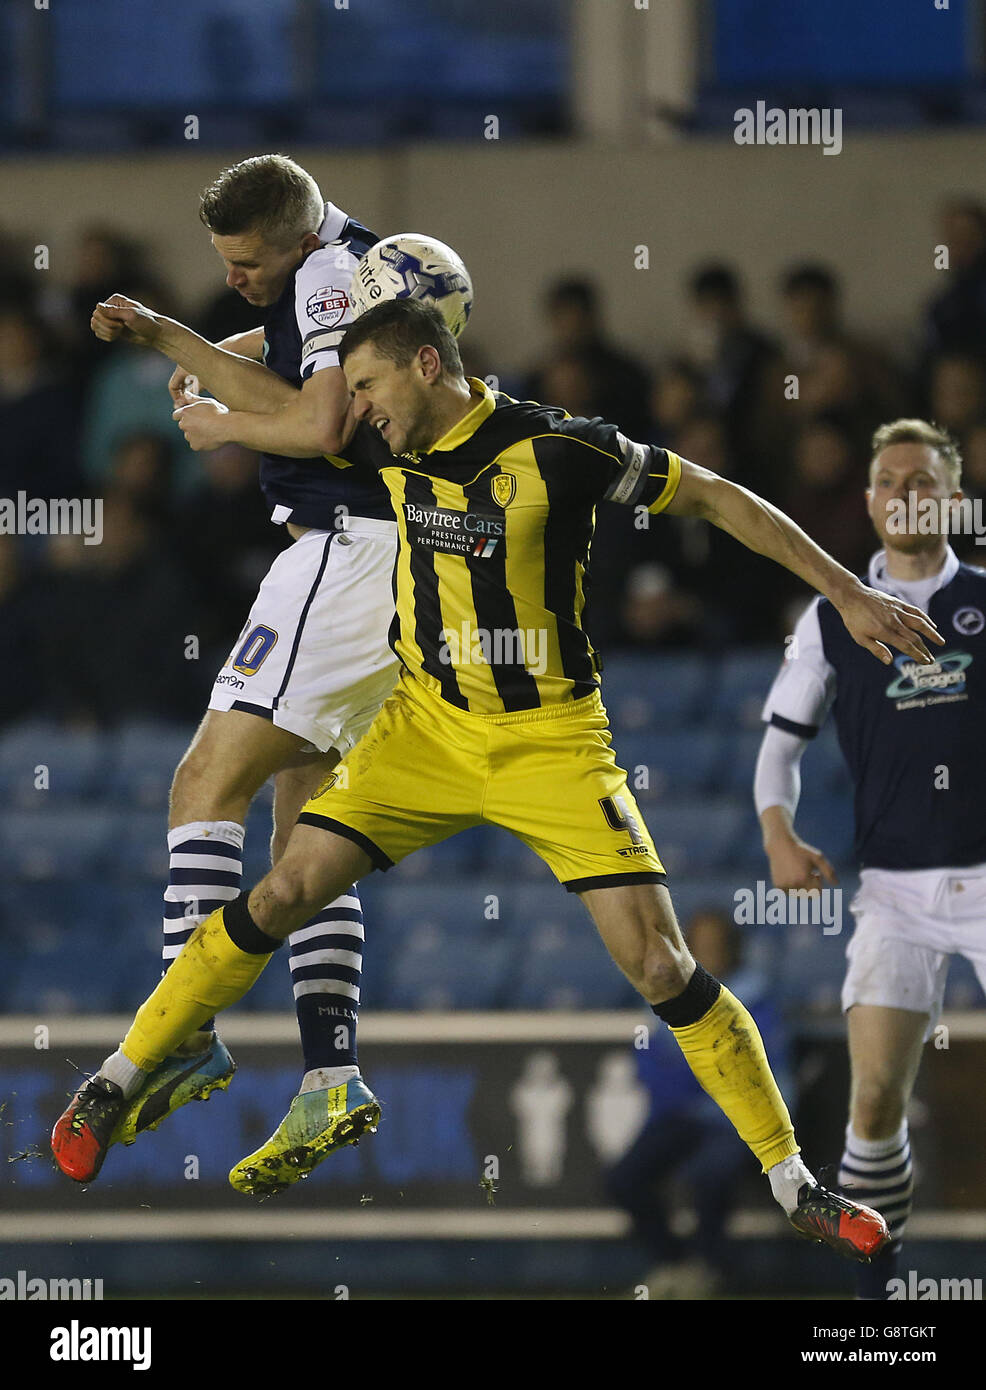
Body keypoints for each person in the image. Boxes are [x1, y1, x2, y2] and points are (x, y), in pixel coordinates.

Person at [52, 302, 944, 1261]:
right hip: (425, 733)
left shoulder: (561, 450)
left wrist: (848, 591)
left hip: (551, 743)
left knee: (659, 965)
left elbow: (719, 498)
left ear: (426, 364)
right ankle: (117, 1077)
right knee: (280, 888)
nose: (355, 410)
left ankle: (792, 1182)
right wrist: (165, 341)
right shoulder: (377, 445)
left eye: (368, 388)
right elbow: (283, 409)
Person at [56, 154, 401, 1195]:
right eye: (225, 264)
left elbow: (320, 422)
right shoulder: (342, 265)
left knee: (203, 787)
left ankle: (181, 1025)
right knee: (312, 824)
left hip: (345, 553)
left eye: (249, 264)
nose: (237, 277)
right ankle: (331, 1069)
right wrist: (233, 343)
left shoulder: (328, 271)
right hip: (394, 565)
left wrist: (208, 394)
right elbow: (317, 355)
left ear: (295, 238)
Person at [755, 417, 986, 1298]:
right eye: (890, 480)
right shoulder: (830, 617)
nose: (905, 494)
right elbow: (779, 749)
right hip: (893, 892)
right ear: (869, 501)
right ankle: (879, 1305)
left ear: (953, 500)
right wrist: (779, 832)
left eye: (924, 481)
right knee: (874, 1105)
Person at [606, 910, 791, 1298]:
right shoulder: (665, 992)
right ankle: (674, 1263)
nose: (708, 953)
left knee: (708, 1175)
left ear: (733, 949)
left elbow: (756, 1072)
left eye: (716, 945)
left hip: (737, 1120)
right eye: (700, 945)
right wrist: (691, 1082)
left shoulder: (753, 997)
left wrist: (694, 1079)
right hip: (682, 1115)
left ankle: (711, 1269)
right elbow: (651, 1061)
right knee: (624, 1179)